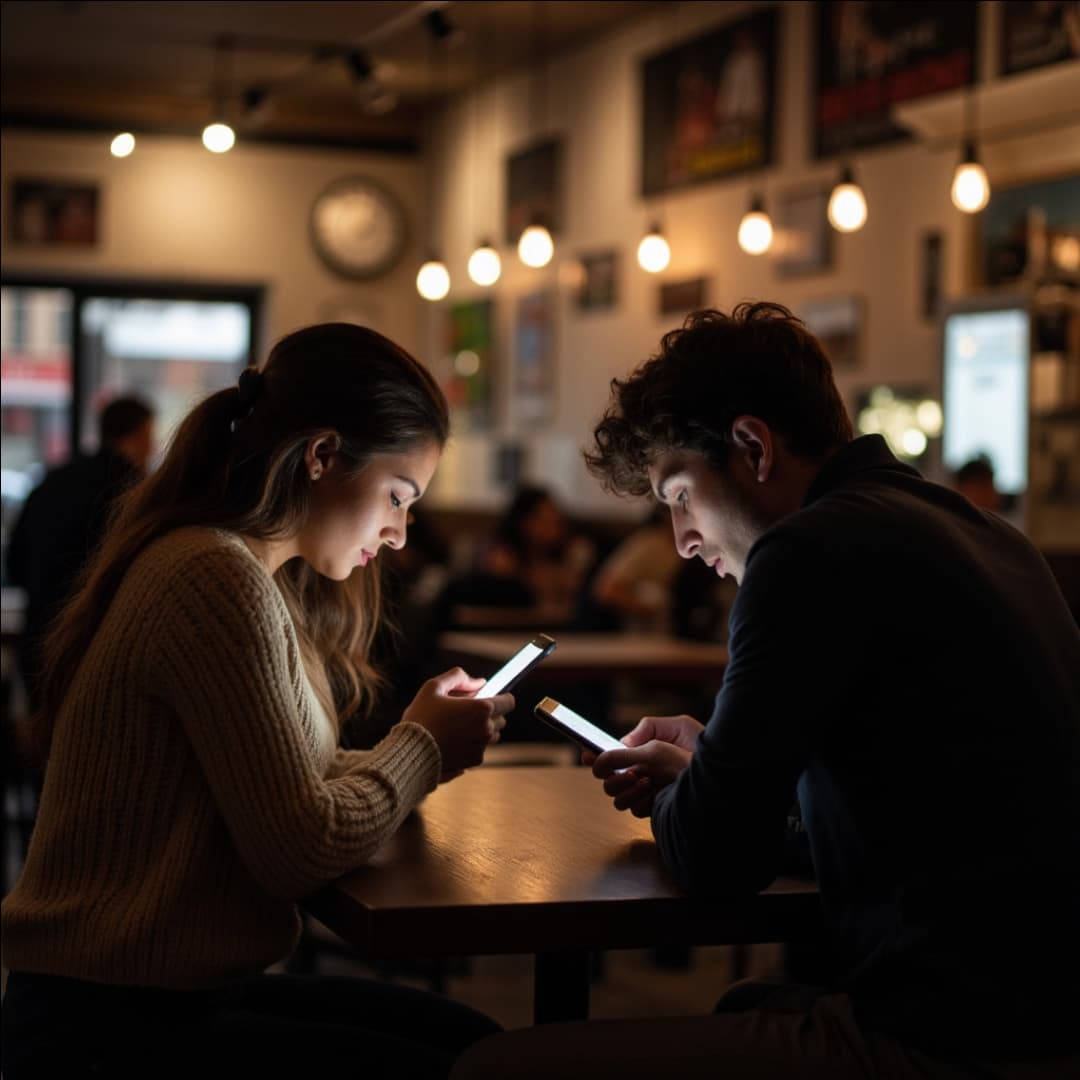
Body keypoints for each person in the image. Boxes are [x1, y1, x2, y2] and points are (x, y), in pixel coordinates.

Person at [450, 303, 1080, 1079]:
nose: (681, 539)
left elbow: (716, 858)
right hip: (1050, 1022)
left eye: (680, 494)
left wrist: (687, 796)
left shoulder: (806, 553)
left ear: (752, 447)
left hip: (953, 1041)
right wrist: (710, 770)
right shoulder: (989, 536)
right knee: (747, 1004)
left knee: (493, 1069)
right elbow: (916, 825)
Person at [1, 324, 512, 1079]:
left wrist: (418, 740)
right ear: (322, 455)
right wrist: (422, 746)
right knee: (471, 1063)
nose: (401, 532)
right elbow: (296, 847)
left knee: (476, 1043)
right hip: (106, 1025)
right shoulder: (215, 577)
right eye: (398, 496)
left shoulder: (239, 571)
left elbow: (282, 776)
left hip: (161, 996)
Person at [7, 394, 156, 712]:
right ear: (141, 434)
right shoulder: (135, 492)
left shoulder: (52, 479)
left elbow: (15, 565)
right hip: (95, 643)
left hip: (38, 639)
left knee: (42, 749)